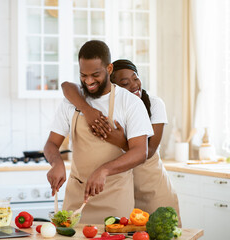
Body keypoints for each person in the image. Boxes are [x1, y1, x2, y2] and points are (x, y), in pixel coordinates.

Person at [44, 40, 154, 224]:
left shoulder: (129, 103)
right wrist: (56, 163)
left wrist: (104, 170)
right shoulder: (72, 101)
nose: (89, 81)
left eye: (95, 74)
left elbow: (139, 152)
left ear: (109, 69)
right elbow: (51, 144)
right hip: (77, 195)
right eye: (83, 75)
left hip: (115, 197)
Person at [61, 59, 181, 226]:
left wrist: (119, 141)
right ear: (114, 87)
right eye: (125, 83)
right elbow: (67, 86)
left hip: (152, 189)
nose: (134, 85)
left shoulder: (154, 104)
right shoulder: (116, 105)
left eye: (135, 78)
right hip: (124, 193)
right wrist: (86, 109)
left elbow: (149, 150)